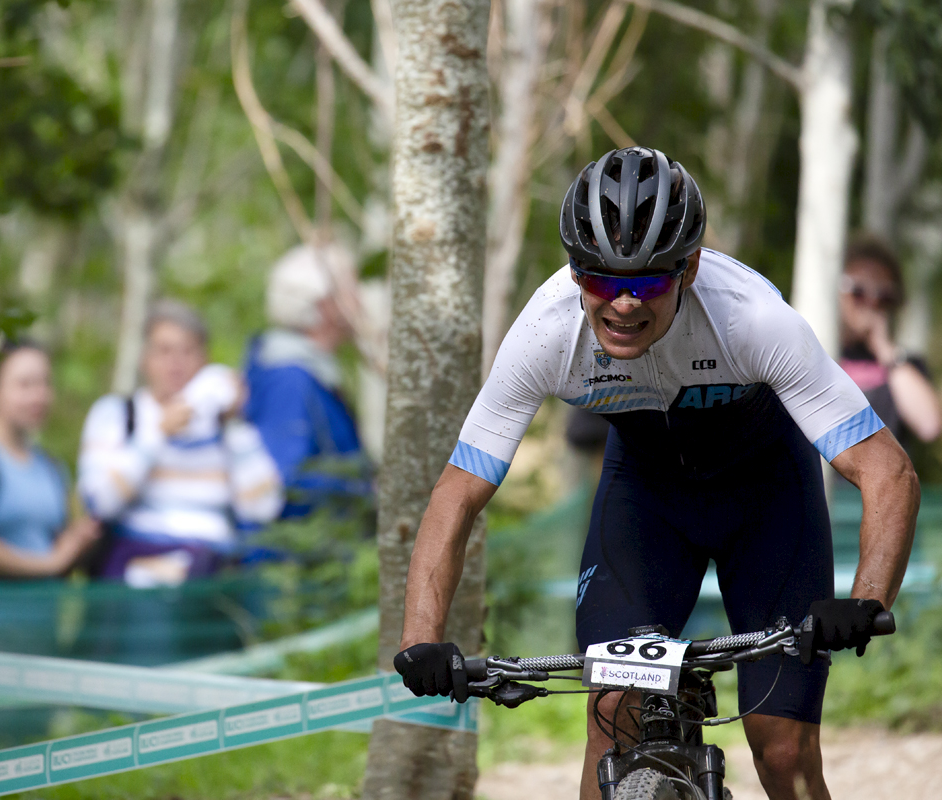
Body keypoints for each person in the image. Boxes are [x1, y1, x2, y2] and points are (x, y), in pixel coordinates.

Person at [391, 147, 919, 800]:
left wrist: (867, 600)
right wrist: (422, 640)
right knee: (613, 714)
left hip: (766, 499)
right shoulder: (546, 332)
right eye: (599, 281)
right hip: (648, 505)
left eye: (645, 284)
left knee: (782, 748)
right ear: (574, 273)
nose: (621, 305)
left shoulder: (750, 318)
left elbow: (887, 470)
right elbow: (455, 494)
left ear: (689, 268)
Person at [78, 300, 283, 587]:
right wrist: (155, 435)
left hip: (211, 576)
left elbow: (264, 509)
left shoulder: (226, 427)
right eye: (164, 351)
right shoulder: (117, 415)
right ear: (144, 358)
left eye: (188, 351)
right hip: (136, 581)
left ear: (205, 360)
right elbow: (99, 502)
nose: (176, 363)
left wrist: (235, 424)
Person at [0, 341, 101, 578]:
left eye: (45, 383)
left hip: (40, 612)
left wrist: (79, 543)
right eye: (25, 384)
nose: (39, 396)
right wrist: (51, 563)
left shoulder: (52, 467)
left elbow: (58, 547)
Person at [244, 244, 371, 518]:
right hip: (295, 556)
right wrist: (364, 491)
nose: (360, 301)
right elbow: (286, 480)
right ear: (324, 303)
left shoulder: (314, 374)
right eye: (352, 290)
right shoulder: (289, 379)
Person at [837, 234, 941, 446]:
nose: (872, 303)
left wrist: (885, 349)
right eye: (858, 291)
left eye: (884, 296)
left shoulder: (904, 364)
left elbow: (929, 426)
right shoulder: (816, 350)